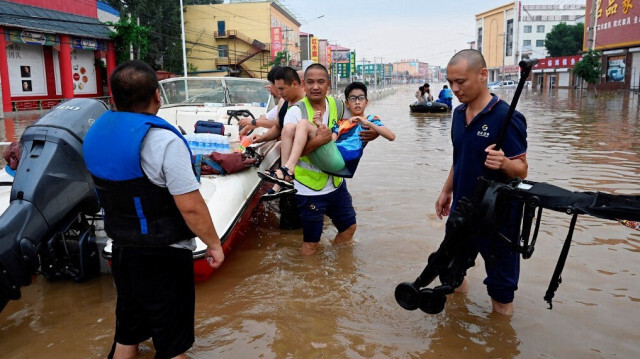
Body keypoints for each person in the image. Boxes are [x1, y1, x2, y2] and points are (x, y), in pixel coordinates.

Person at [83, 60, 225, 358]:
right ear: (157, 95)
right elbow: (190, 207)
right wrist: (213, 244)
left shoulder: (95, 135)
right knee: (173, 347)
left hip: (122, 252)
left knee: (127, 336)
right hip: (164, 255)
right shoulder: (163, 140)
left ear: (114, 98)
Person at [435, 49, 528, 316]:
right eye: (451, 82)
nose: (455, 89)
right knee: (451, 274)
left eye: (461, 82)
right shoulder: (457, 114)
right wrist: (446, 191)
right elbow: (460, 158)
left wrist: (505, 163)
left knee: (501, 293)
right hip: (463, 209)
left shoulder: (506, 117)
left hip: (498, 218)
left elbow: (522, 170)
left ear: (483, 75)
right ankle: (457, 325)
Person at [268, 64, 378, 255]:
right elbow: (294, 153)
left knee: (349, 228)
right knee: (311, 242)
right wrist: (320, 140)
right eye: (310, 82)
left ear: (328, 84)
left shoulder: (338, 105)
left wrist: (374, 133)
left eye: (320, 82)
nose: (315, 87)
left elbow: (356, 127)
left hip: (335, 182)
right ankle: (309, 280)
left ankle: (335, 268)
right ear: (303, 84)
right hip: (309, 187)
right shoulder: (296, 112)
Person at [261, 81, 394, 184]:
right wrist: (320, 125)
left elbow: (391, 136)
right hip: (332, 157)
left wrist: (367, 123)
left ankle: (288, 170)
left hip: (343, 161)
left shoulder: (371, 119)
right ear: (347, 103)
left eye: (361, 98)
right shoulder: (342, 122)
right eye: (353, 99)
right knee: (290, 127)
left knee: (303, 123)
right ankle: (283, 177)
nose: (357, 102)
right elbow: (330, 141)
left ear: (367, 102)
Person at [238, 65, 283, 135]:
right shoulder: (282, 102)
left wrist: (252, 122)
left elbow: (279, 123)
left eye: (271, 83)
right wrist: (246, 128)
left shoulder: (288, 102)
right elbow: (265, 117)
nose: (270, 87)